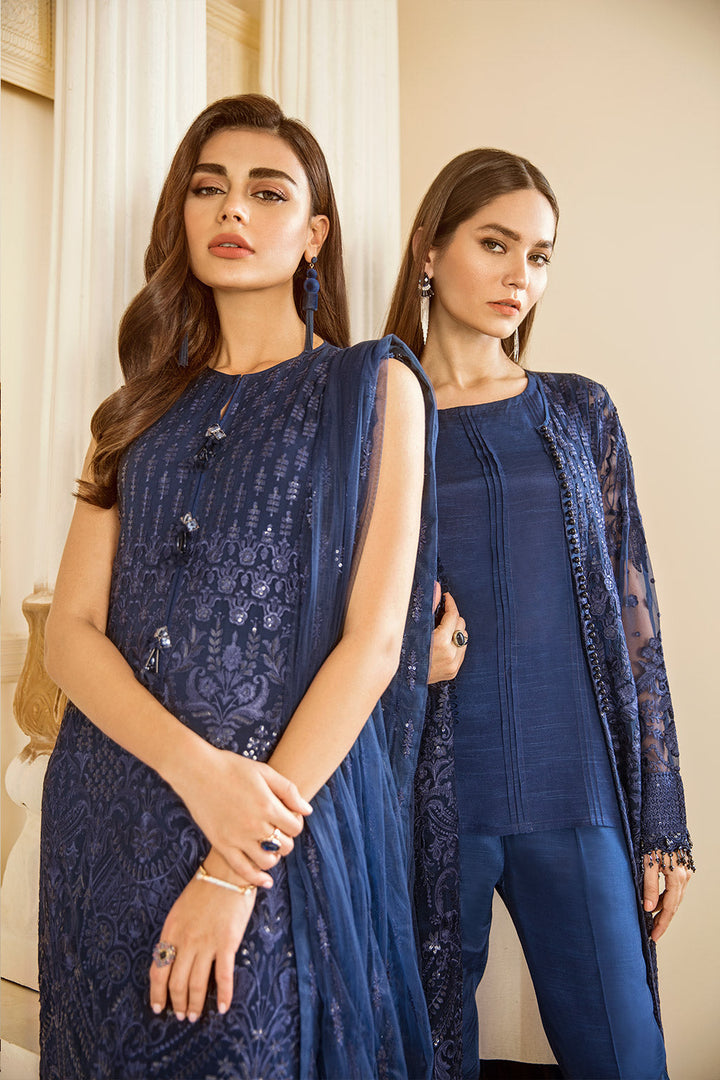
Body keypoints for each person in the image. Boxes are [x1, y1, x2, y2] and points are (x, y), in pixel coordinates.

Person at [39, 94, 439, 1080]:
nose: (232, 210)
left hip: (273, 830)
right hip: (109, 811)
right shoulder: (130, 412)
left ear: (314, 233)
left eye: (267, 193)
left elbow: (374, 644)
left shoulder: (373, 387)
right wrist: (200, 773)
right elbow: (71, 635)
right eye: (208, 188)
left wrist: (233, 863)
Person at [385, 149, 694, 1079]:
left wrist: (663, 818)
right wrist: (408, 655)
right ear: (430, 249)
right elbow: (331, 604)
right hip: (430, 795)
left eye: (541, 255)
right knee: (425, 1057)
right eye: (495, 243)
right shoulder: (374, 416)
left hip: (577, 790)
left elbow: (637, 618)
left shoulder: (578, 412)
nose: (520, 274)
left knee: (626, 1057)